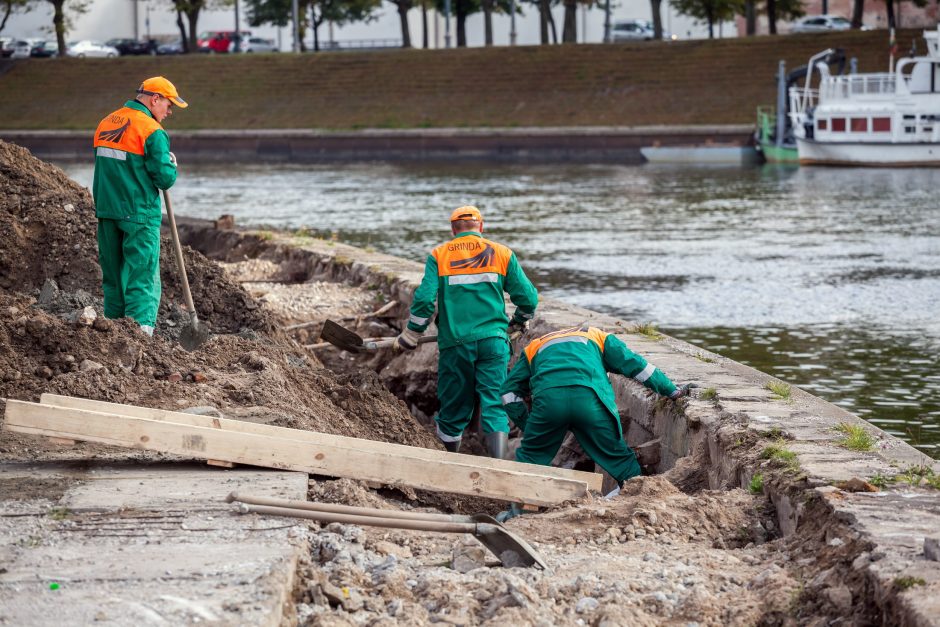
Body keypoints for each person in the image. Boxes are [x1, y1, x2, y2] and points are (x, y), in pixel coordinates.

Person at [397, 206, 539, 459]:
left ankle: (450, 467)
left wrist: (411, 333)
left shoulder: (440, 255)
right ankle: (499, 470)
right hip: (494, 341)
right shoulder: (502, 253)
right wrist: (519, 321)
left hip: (456, 343)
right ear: (481, 227)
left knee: (453, 409)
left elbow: (425, 300)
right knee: (495, 405)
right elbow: (528, 298)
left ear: (453, 230)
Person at [501, 325, 693, 490]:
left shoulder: (535, 346)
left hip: (549, 404)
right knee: (618, 457)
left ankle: (519, 511)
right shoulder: (598, 336)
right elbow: (638, 366)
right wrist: (671, 390)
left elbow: (509, 393)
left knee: (530, 459)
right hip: (590, 401)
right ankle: (635, 496)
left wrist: (529, 425)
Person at [92, 76, 187, 337]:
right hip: (138, 213)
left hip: (107, 209)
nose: (169, 112)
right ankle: (140, 339)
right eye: (169, 105)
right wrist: (171, 165)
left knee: (113, 278)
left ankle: (112, 335)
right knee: (141, 277)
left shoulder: (107, 122)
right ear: (154, 98)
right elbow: (164, 178)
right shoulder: (151, 130)